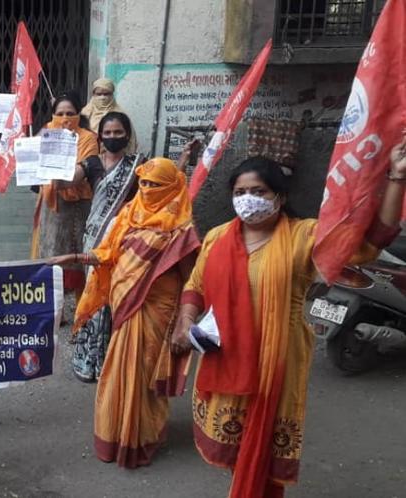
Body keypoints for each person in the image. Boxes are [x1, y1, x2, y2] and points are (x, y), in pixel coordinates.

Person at [171, 139, 406, 498]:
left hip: (277, 359)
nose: (248, 198)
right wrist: (185, 320)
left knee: (263, 447)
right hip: (226, 354)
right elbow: (195, 285)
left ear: (279, 197)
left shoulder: (304, 236)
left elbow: (371, 242)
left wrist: (396, 177)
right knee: (236, 444)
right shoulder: (217, 237)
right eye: (241, 191)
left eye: (258, 191)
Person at [49, 157, 201, 468]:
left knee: (144, 378)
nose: (146, 189)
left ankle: (141, 439)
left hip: (157, 312)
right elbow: (108, 255)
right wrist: (74, 256)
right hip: (124, 310)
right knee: (116, 374)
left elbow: (192, 280)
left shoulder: (181, 231)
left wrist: (183, 323)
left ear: (172, 188)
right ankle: (114, 436)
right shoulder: (129, 215)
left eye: (155, 185)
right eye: (143, 183)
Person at [65, 111, 141, 382]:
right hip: (95, 237)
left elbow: (161, 186)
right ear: (100, 137)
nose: (112, 137)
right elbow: (70, 178)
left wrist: (185, 161)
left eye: (117, 132)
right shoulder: (93, 163)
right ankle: (89, 359)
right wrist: (46, 167)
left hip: (124, 240)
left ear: (127, 135)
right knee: (94, 295)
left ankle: (112, 358)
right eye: (107, 133)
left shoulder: (137, 165)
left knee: (115, 296)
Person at [32, 94, 99, 295]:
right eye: (59, 113)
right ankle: (55, 310)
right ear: (53, 115)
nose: (65, 118)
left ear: (78, 114)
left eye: (70, 113)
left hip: (78, 207)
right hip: (52, 207)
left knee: (78, 257)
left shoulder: (88, 138)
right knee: (51, 253)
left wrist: (58, 178)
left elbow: (81, 171)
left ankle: (81, 311)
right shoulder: (46, 132)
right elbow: (33, 161)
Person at [80, 78, 137, 154]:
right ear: (93, 94)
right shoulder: (85, 113)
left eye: (106, 94)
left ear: (112, 94)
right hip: (87, 155)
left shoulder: (120, 114)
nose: (102, 97)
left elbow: (130, 140)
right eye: (99, 94)